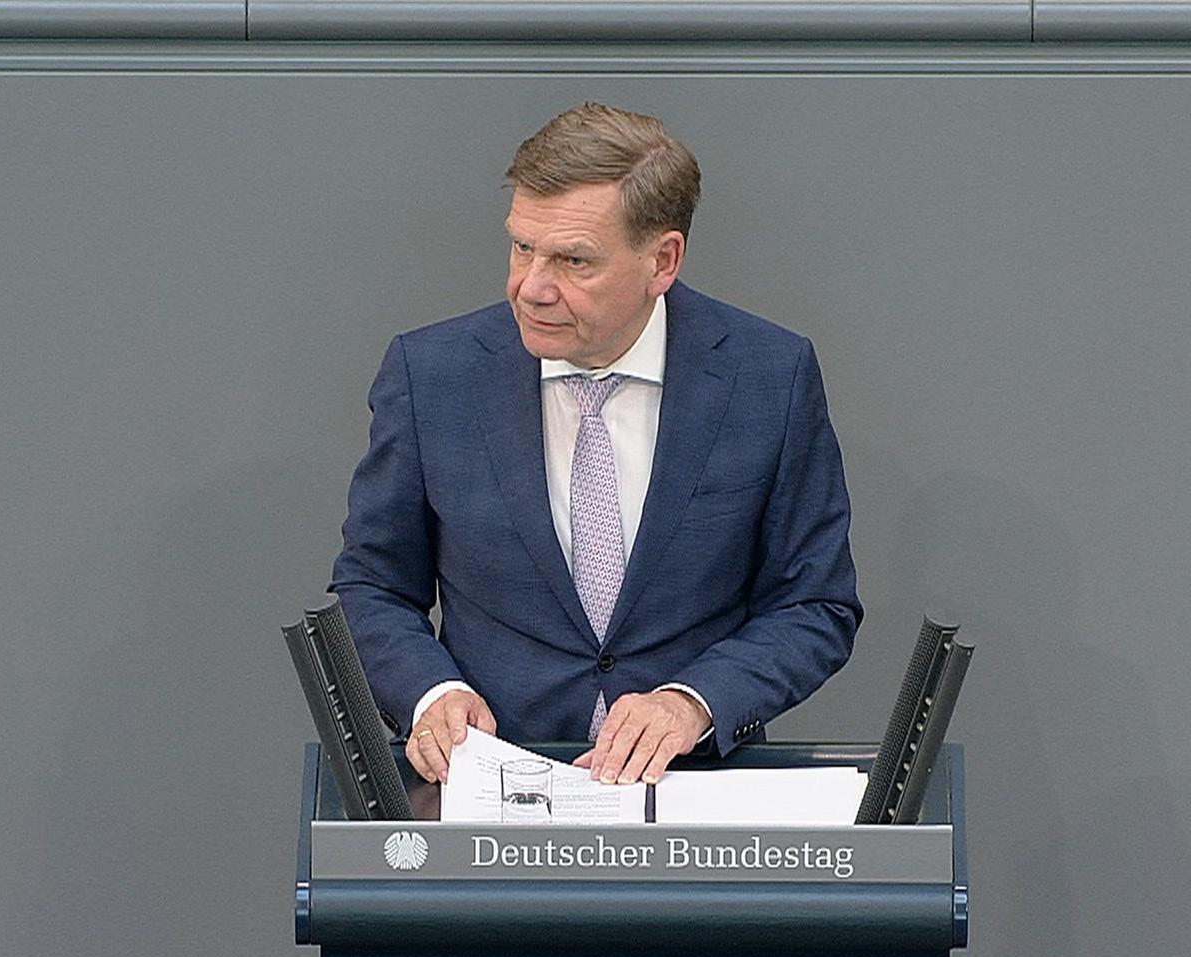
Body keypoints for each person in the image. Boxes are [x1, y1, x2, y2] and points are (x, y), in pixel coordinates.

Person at [331, 102, 861, 787]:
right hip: (493, 789)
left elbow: (814, 605)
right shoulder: (433, 375)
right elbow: (372, 585)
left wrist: (691, 703)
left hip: (691, 790)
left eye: (573, 260)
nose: (531, 288)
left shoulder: (768, 377)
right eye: (522, 248)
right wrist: (433, 693)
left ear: (662, 260)